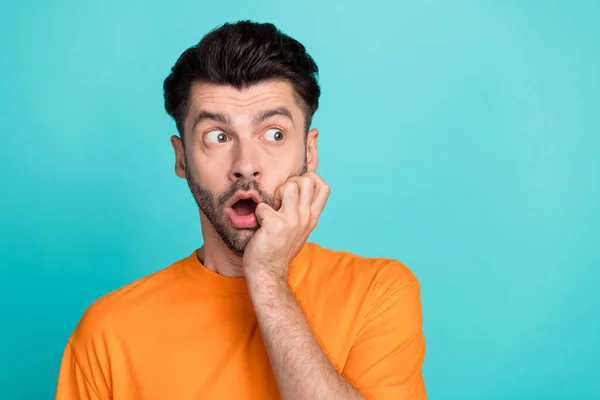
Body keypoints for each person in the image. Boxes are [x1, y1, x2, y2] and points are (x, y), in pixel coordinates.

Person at [55, 20, 427, 400]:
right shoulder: (107, 330)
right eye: (217, 136)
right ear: (182, 158)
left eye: (275, 134)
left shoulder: (378, 291)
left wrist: (267, 276)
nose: (246, 163)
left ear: (309, 151)